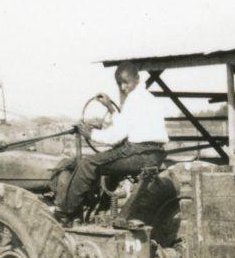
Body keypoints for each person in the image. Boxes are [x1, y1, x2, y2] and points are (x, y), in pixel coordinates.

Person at [53, 62, 168, 218]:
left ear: (137, 78)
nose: (123, 87)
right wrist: (111, 108)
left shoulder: (133, 99)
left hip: (139, 153)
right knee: (110, 164)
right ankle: (103, 209)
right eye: (120, 83)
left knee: (88, 164)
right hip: (156, 154)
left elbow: (114, 137)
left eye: (126, 82)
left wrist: (90, 133)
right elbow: (128, 125)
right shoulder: (149, 98)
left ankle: (65, 213)